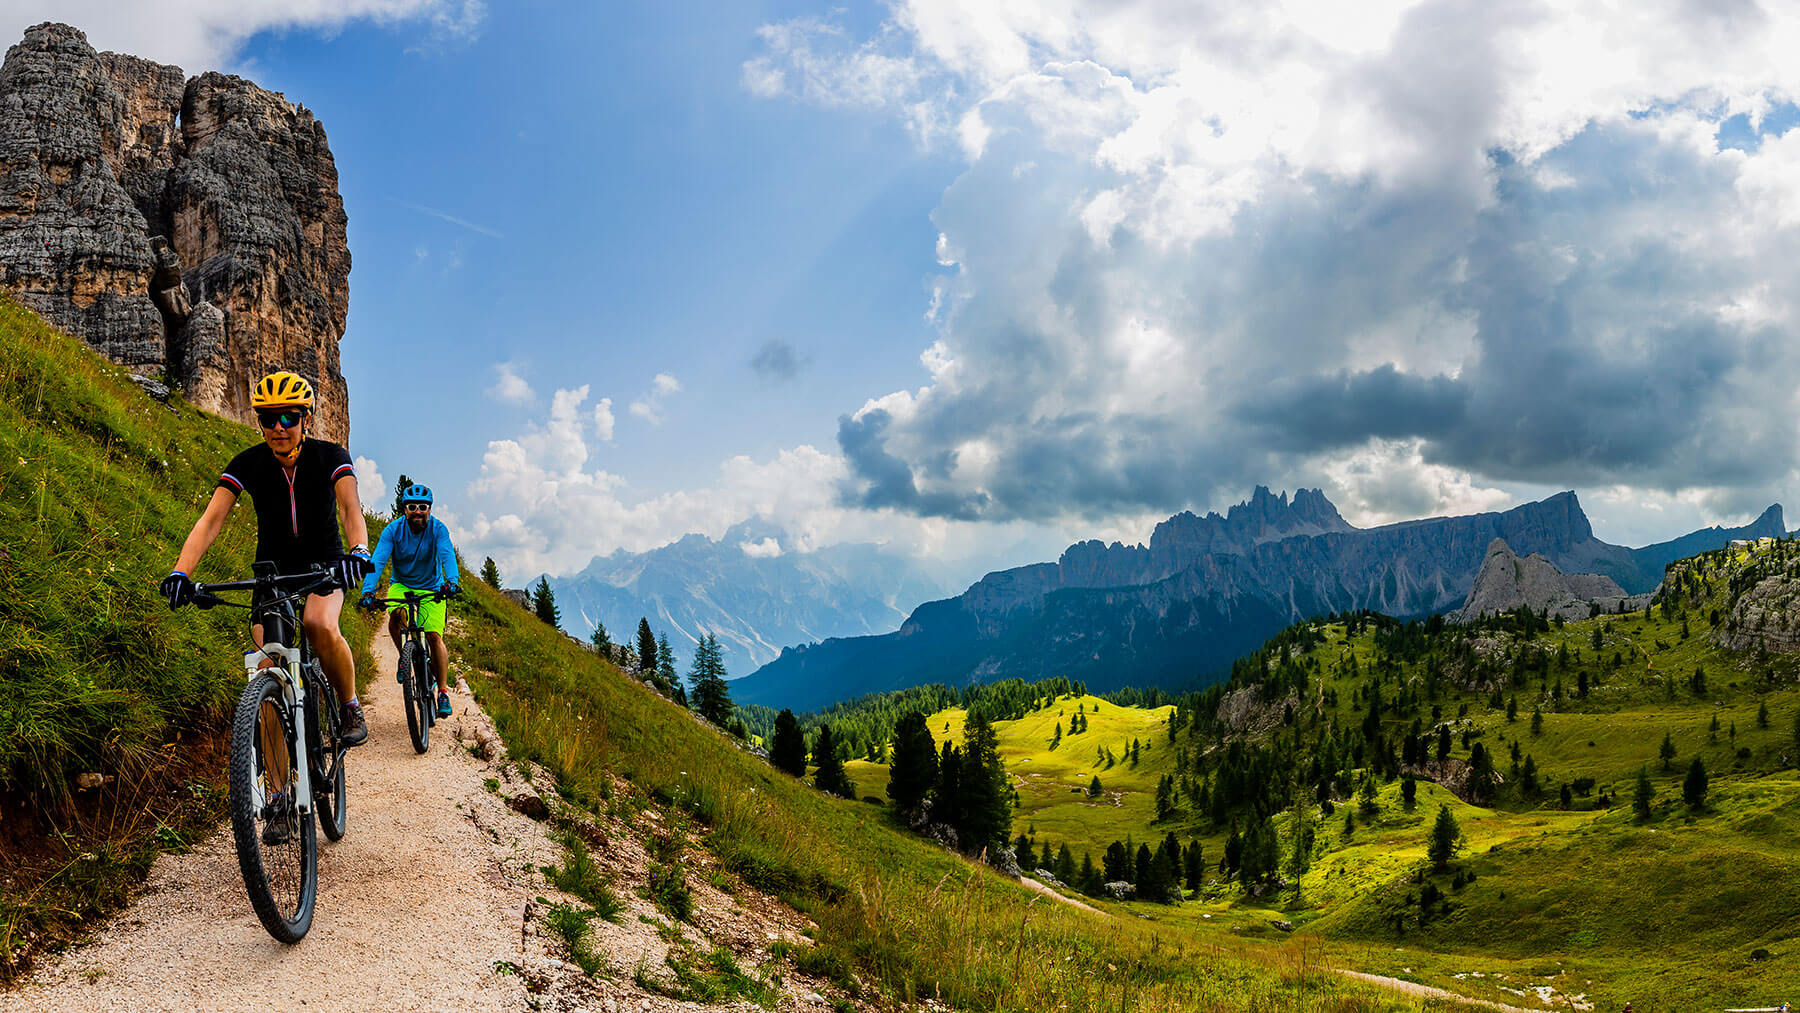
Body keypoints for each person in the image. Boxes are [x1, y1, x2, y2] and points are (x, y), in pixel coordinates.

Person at [160, 371, 373, 746]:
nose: (279, 427)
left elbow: (349, 507)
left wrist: (358, 550)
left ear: (306, 419)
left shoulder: (331, 456)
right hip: (271, 571)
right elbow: (211, 521)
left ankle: (350, 705)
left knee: (319, 624)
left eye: (289, 417)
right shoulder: (248, 463)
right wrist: (180, 572)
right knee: (266, 666)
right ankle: (274, 778)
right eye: (268, 418)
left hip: (324, 565)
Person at [358, 483, 461, 718]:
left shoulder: (438, 529)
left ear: (429, 509)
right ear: (404, 509)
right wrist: (368, 591)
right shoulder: (392, 531)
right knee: (396, 615)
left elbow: (447, 554)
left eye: (422, 507)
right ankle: (403, 658)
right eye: (412, 507)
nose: (417, 511)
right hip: (402, 585)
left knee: (434, 636)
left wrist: (452, 581)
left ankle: (443, 691)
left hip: (432, 587)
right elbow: (378, 560)